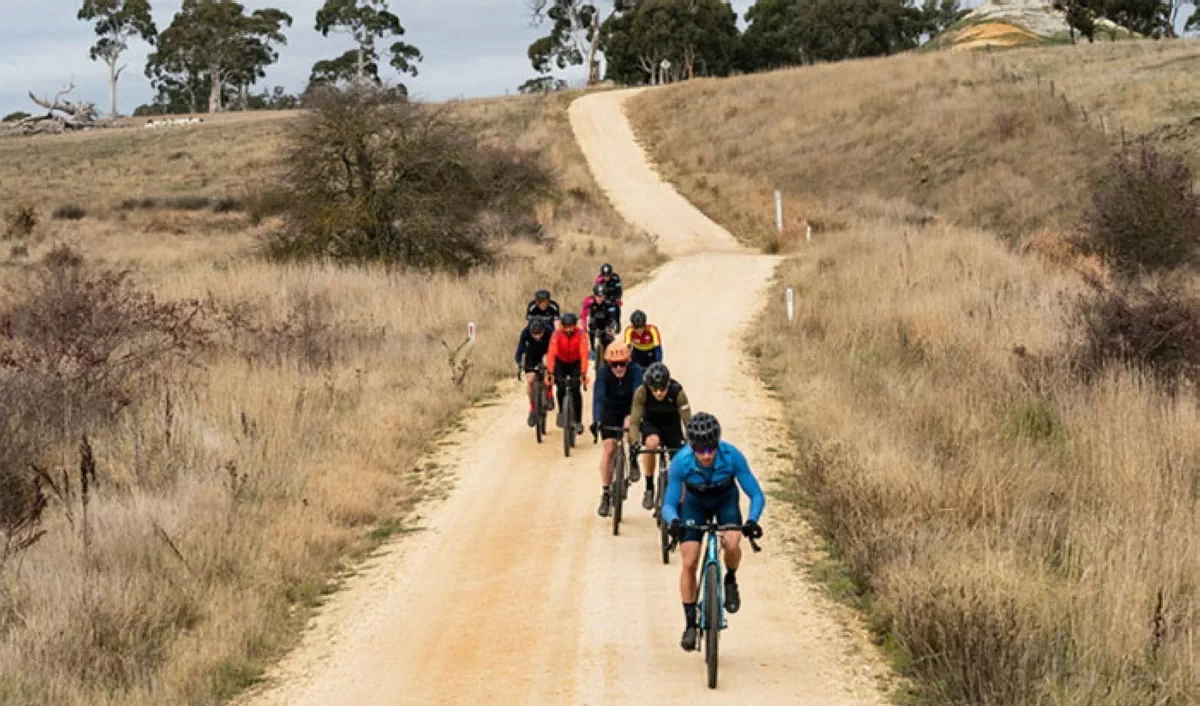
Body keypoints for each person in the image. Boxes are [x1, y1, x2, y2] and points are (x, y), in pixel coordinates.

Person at [661, 412, 766, 653]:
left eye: (711, 449)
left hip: (724, 500)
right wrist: (674, 521)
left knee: (731, 542)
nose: (707, 455)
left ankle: (730, 577)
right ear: (692, 446)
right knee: (689, 560)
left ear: (717, 444)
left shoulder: (732, 456)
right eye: (700, 450)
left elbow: (756, 494)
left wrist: (752, 520)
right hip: (694, 504)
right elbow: (668, 503)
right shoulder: (681, 461)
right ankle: (689, 624)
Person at [628, 361, 691, 510]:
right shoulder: (641, 392)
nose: (658, 393)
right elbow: (635, 421)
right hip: (651, 425)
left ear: (668, 384)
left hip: (672, 426)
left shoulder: (678, 392)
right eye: (654, 389)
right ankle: (649, 487)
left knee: (680, 460)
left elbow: (688, 420)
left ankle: (679, 501)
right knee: (651, 444)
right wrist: (635, 440)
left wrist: (690, 439)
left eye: (662, 389)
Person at [591, 341, 643, 518]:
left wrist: (634, 418)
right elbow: (598, 397)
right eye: (615, 364)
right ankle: (605, 493)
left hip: (629, 407)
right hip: (610, 409)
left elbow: (638, 396)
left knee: (630, 426)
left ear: (628, 361)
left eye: (622, 363)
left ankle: (634, 458)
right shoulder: (603, 373)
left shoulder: (636, 371)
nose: (619, 368)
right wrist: (597, 420)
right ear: (608, 364)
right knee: (609, 448)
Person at [545, 312, 589, 436]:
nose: (569, 329)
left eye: (571, 326)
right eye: (566, 326)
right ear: (562, 326)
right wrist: (550, 372)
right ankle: (561, 412)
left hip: (576, 362)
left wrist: (583, 373)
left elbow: (584, 354)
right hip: (561, 362)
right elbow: (552, 353)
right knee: (560, 387)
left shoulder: (581, 334)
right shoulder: (556, 334)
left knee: (576, 390)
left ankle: (579, 421)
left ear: (575, 326)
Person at [514, 316, 555, 426]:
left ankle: (550, 394)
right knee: (531, 380)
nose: (537, 336)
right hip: (531, 355)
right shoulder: (525, 333)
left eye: (539, 334)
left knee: (548, 367)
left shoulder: (550, 332)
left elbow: (555, 348)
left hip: (546, 352)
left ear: (543, 330)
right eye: (534, 334)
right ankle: (532, 409)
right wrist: (519, 362)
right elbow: (520, 349)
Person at [580, 283, 621, 363]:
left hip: (607, 322)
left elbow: (613, 318)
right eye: (597, 296)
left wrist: (612, 328)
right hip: (595, 322)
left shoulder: (609, 303)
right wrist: (584, 327)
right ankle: (592, 349)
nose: (599, 299)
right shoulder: (589, 301)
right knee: (591, 326)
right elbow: (583, 315)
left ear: (605, 296)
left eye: (601, 297)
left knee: (608, 340)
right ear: (594, 295)